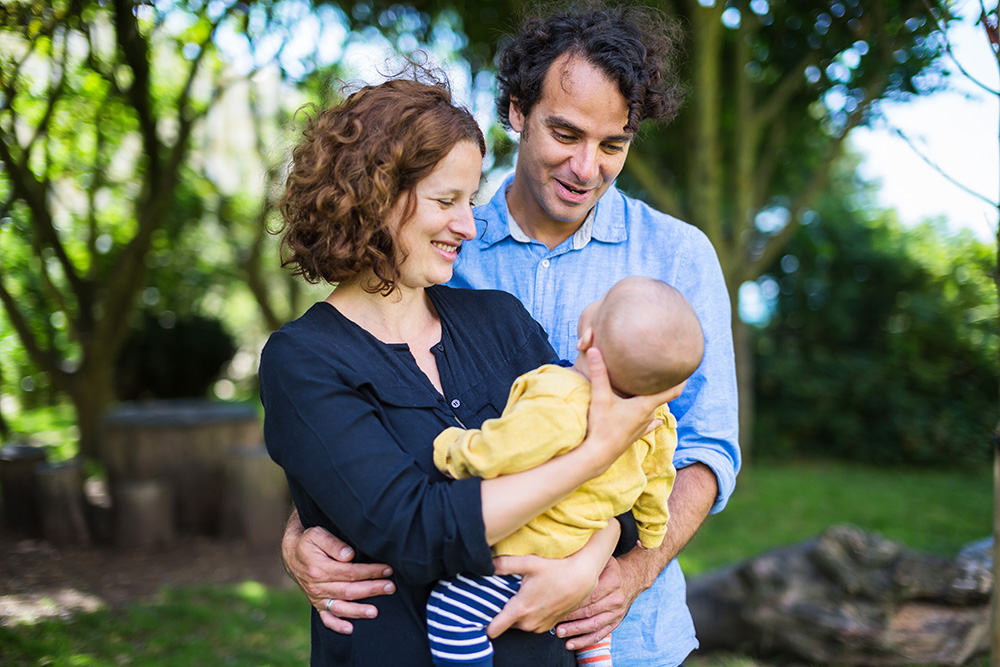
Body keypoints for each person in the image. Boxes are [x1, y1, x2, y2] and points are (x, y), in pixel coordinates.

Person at [280, 6, 741, 667]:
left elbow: (706, 449)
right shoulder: (444, 254)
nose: (586, 167)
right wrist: (308, 523)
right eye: (566, 133)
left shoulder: (677, 256)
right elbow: (373, 430)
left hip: (624, 631)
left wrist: (620, 571)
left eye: (613, 144)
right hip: (462, 613)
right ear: (518, 110)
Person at [427, 276, 705, 667]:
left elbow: (499, 451)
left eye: (604, 299)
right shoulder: (657, 420)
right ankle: (597, 658)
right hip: (583, 550)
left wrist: (451, 446)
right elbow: (657, 483)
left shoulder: (559, 398)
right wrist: (653, 530)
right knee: (590, 632)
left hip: (526, 550)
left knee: (451, 614)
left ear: (588, 338)